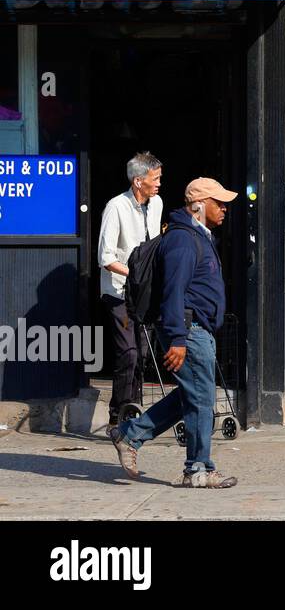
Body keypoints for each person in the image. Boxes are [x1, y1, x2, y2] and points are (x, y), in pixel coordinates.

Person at [108, 178, 239, 488]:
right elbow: (173, 292)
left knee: (194, 395)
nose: (224, 208)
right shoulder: (183, 240)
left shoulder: (198, 237)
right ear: (197, 205)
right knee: (201, 400)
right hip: (188, 330)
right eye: (217, 202)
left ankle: (130, 434)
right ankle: (198, 469)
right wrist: (178, 339)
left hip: (196, 329)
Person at [97, 152, 164, 425]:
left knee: (143, 354)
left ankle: (132, 411)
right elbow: (105, 257)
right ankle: (118, 416)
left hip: (145, 292)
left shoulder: (157, 203)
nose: (159, 183)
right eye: (155, 178)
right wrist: (136, 274)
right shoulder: (116, 207)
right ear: (138, 181)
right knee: (129, 352)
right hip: (119, 291)